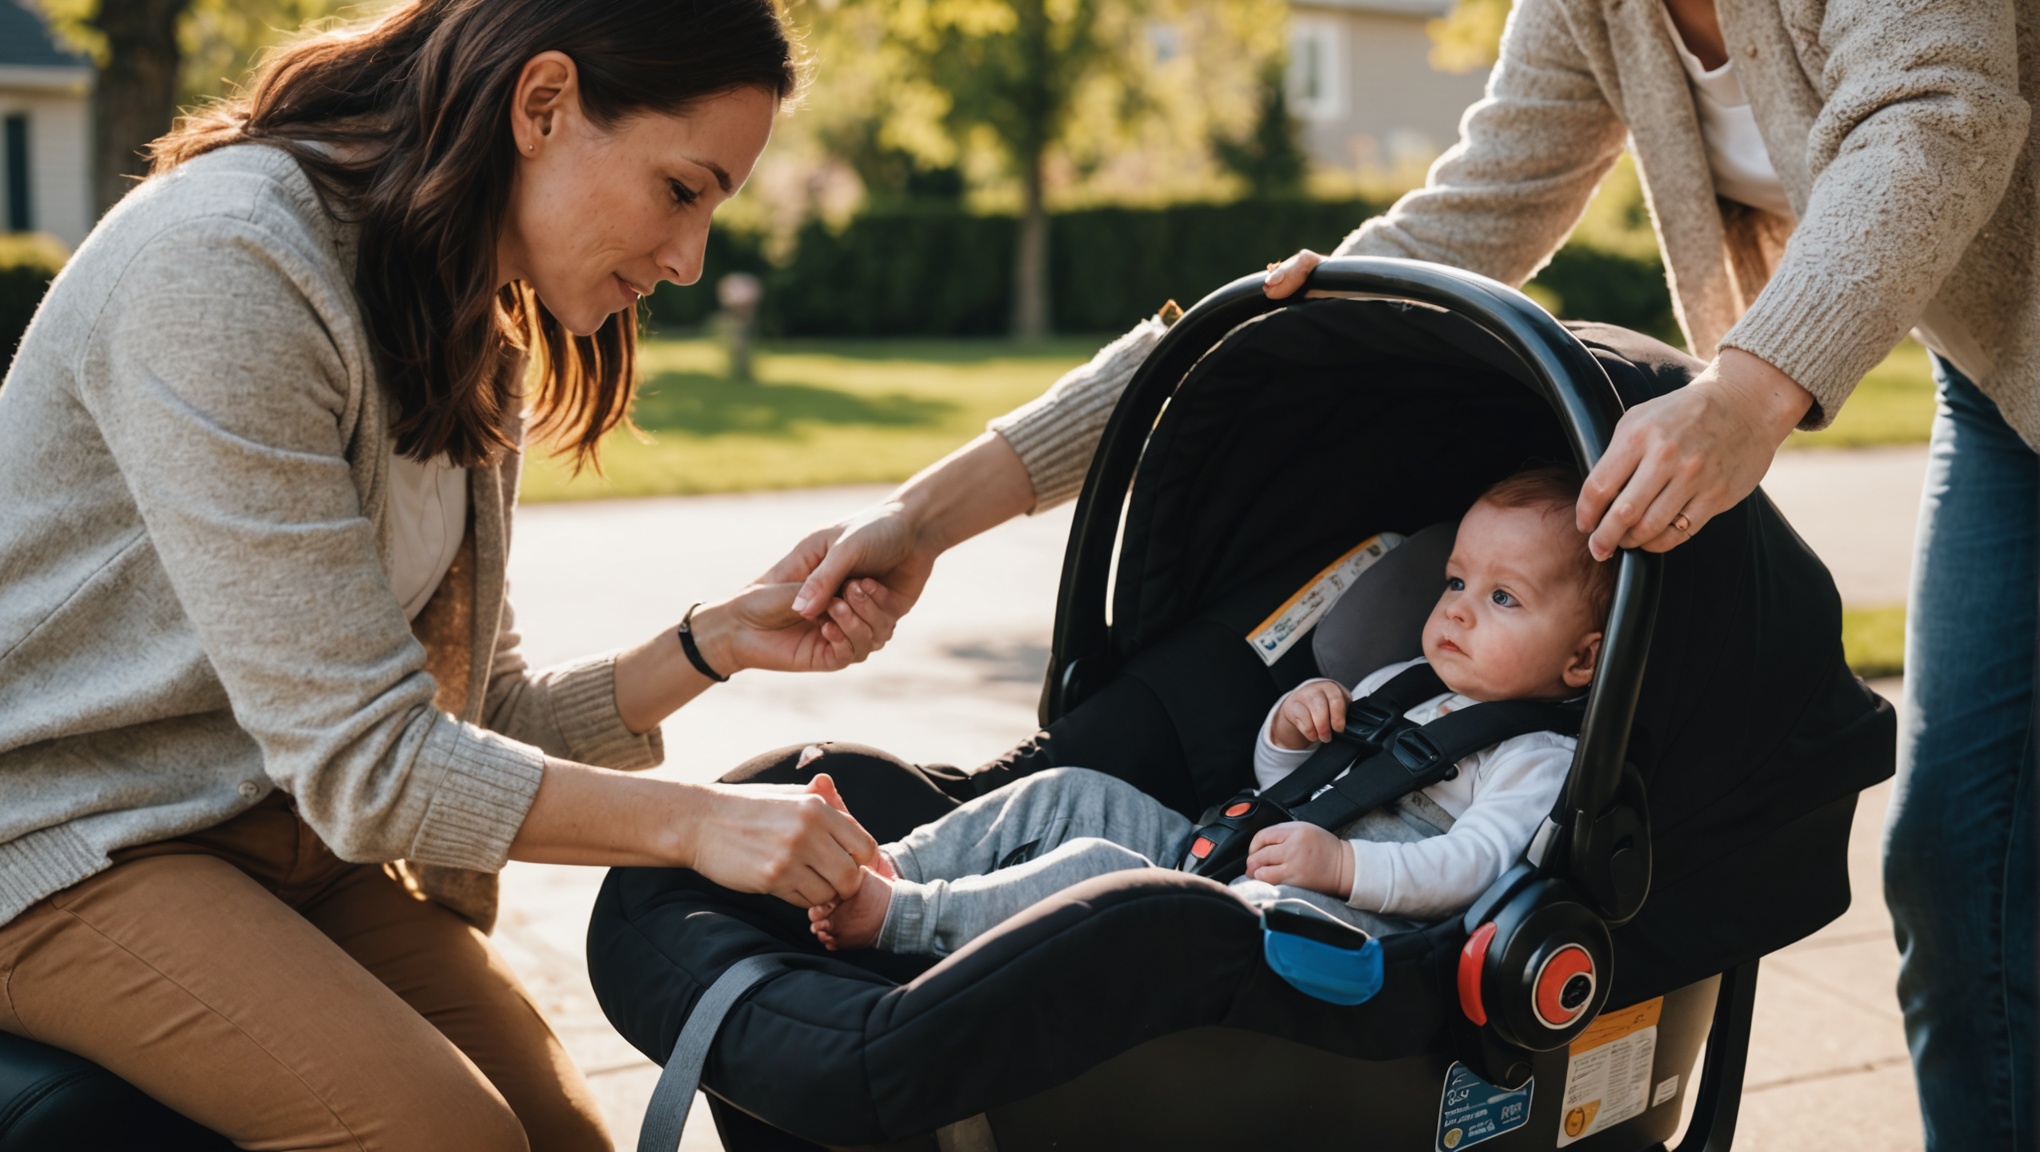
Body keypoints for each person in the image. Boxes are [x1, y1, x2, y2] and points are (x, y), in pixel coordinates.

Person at [773, 3, 2033, 1145]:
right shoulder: (1598, 10)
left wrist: (1748, 392)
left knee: (1963, 860)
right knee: (1964, 866)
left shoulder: (1526, 759)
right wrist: (930, 513)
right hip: (2004, 387)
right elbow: (1446, 232)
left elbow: (1943, 109)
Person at [0, 2, 906, 1149]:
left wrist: (707, 644)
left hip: (285, 841)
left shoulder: (466, 321)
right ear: (543, 105)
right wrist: (695, 825)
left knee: (565, 1137)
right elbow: (374, 764)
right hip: (56, 839)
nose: (688, 260)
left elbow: (475, 720)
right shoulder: (228, 267)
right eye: (683, 190)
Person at [807, 468, 1611, 955]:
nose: (1460, 611)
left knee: (1103, 876)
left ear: (1581, 658)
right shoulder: (1403, 680)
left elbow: (1469, 867)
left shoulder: (1535, 759)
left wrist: (1342, 869)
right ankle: (893, 863)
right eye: (1456, 582)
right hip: (1238, 856)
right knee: (1070, 792)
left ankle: (902, 918)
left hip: (1323, 928)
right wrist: (1292, 731)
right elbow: (1287, 784)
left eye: (1502, 598)